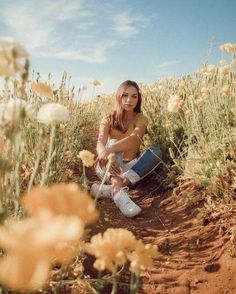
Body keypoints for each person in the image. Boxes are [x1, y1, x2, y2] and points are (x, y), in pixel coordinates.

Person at [90, 80, 162, 217]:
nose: (129, 100)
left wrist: (109, 149)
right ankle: (118, 194)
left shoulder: (141, 119)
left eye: (134, 96)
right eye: (125, 95)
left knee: (157, 152)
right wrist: (104, 153)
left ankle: (113, 188)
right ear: (119, 97)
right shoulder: (108, 118)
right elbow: (100, 141)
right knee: (112, 142)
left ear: (138, 99)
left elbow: (135, 138)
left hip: (129, 166)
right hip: (107, 167)